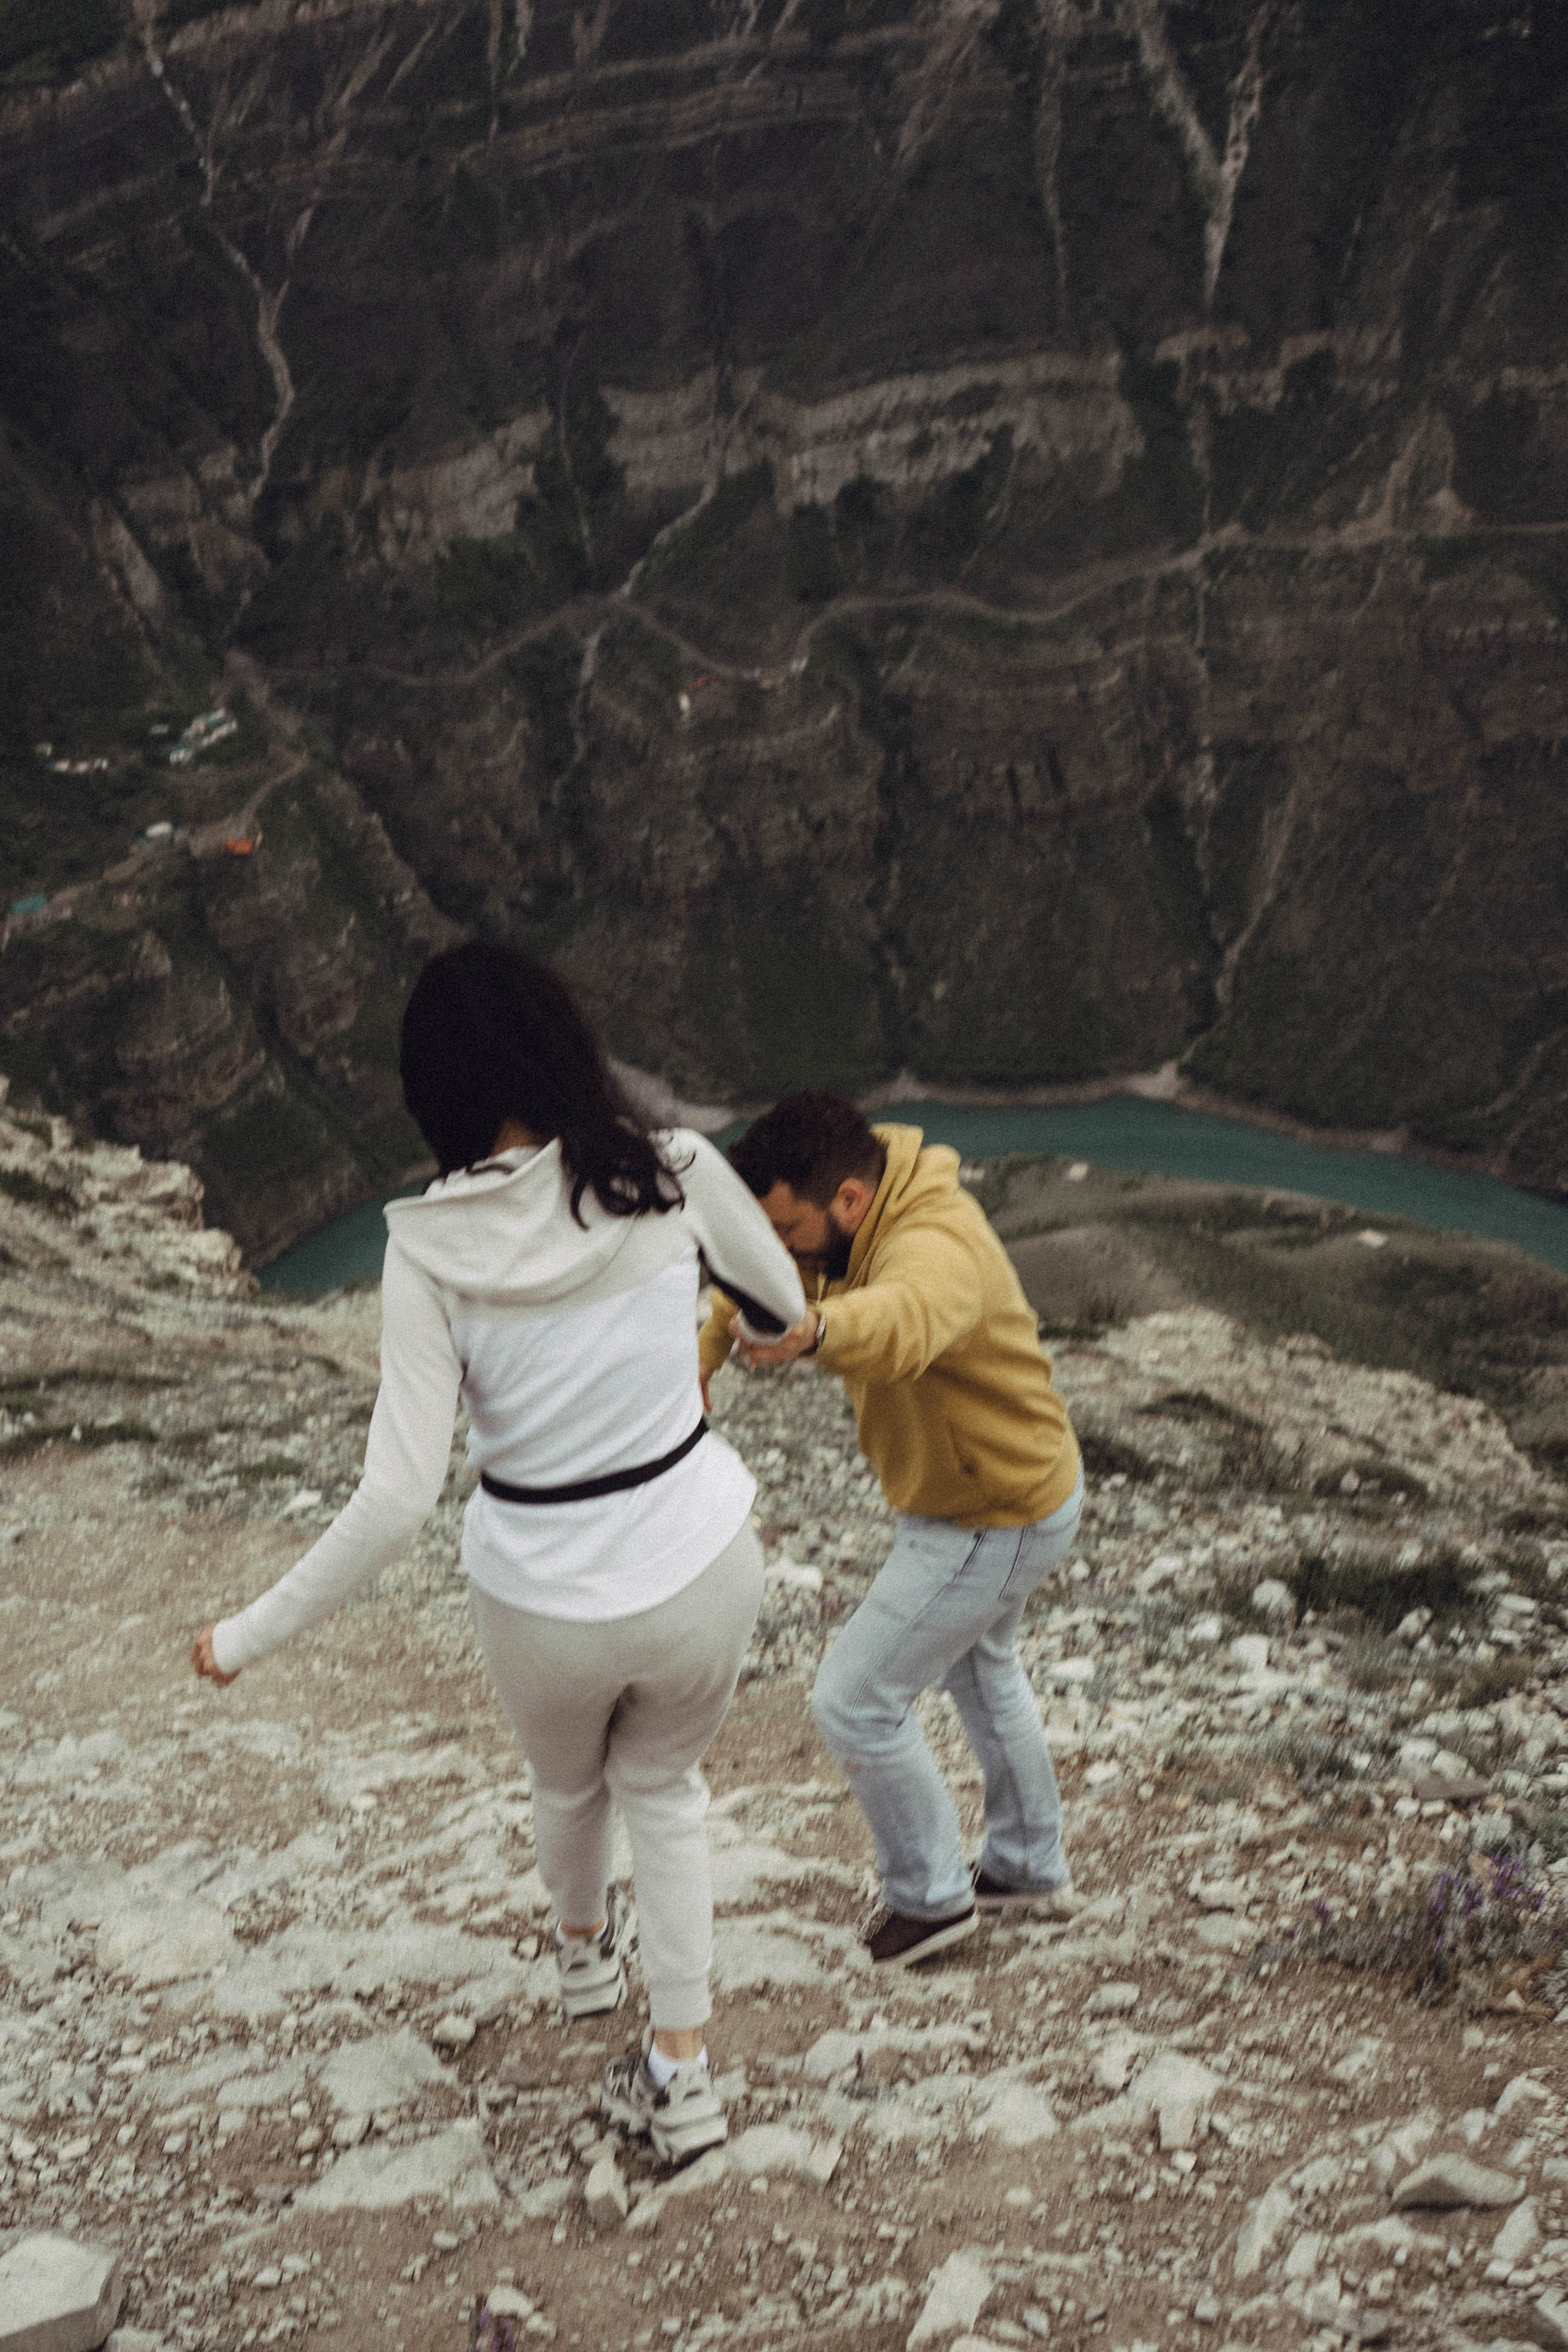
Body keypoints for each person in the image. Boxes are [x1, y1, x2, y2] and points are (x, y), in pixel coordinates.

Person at [192, 945, 805, 2163]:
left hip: (540, 1597)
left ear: (437, 1095)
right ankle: (680, 2078)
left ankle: (583, 1958)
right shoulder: (673, 1173)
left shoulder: (424, 1250)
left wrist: (244, 1636)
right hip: (699, 1560)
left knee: (570, 1785)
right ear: (560, 1048)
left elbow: (397, 1495)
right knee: (666, 1797)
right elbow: (780, 1300)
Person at [699, 1092, 1084, 1969]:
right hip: (1003, 1493)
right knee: (982, 1672)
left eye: (792, 1226)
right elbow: (770, 1273)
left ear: (848, 1202)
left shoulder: (933, 1239)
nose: (786, 1245)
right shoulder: (835, 1232)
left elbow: (905, 1321)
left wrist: (815, 1333)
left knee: (855, 1697)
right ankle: (1026, 1865)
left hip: (993, 1513)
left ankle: (931, 1899)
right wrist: (709, 1347)